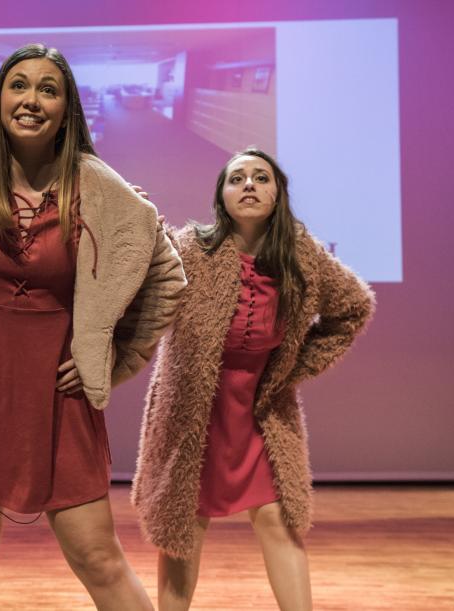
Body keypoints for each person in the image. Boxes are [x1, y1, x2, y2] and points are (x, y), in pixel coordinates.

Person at [0, 43, 186, 610]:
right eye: (18, 86)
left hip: (58, 397)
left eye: (48, 89)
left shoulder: (103, 190)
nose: (31, 99)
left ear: (67, 109)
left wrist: (111, 359)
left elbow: (169, 279)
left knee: (97, 557)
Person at [132, 148, 375, 611]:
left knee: (277, 520)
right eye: (236, 178)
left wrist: (293, 368)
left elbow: (354, 306)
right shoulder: (190, 248)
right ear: (221, 197)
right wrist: (137, 225)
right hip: (194, 413)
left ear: (277, 193)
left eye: (260, 177)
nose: (248, 185)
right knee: (183, 526)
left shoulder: (302, 257)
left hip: (261, 410)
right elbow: (138, 288)